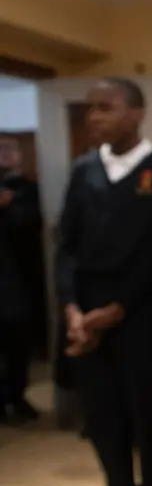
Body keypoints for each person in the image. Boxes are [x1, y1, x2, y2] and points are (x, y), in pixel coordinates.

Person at [55, 77, 152, 486]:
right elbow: (65, 244)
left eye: (106, 108)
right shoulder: (84, 168)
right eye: (91, 109)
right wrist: (71, 307)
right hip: (86, 315)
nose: (94, 117)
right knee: (104, 421)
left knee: (145, 417)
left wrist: (121, 308)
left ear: (136, 113)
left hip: (138, 311)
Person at [0, 133, 43, 423]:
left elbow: (32, 224)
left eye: (9, 149)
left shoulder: (29, 189)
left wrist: (9, 205)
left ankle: (17, 395)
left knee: (18, 344)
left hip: (20, 279)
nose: (5, 154)